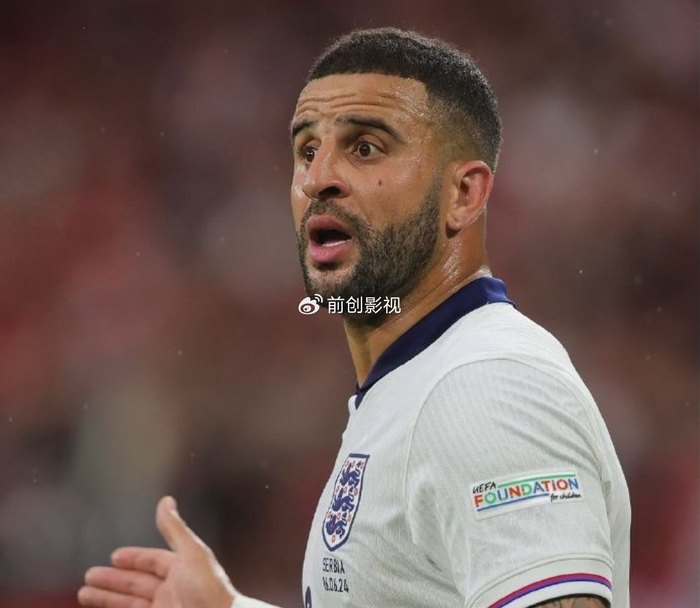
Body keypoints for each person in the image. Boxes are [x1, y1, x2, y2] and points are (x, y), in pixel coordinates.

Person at [77, 28, 630, 608]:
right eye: (306, 150)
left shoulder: (484, 386)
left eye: (365, 148)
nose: (318, 178)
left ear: (464, 195)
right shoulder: (416, 382)